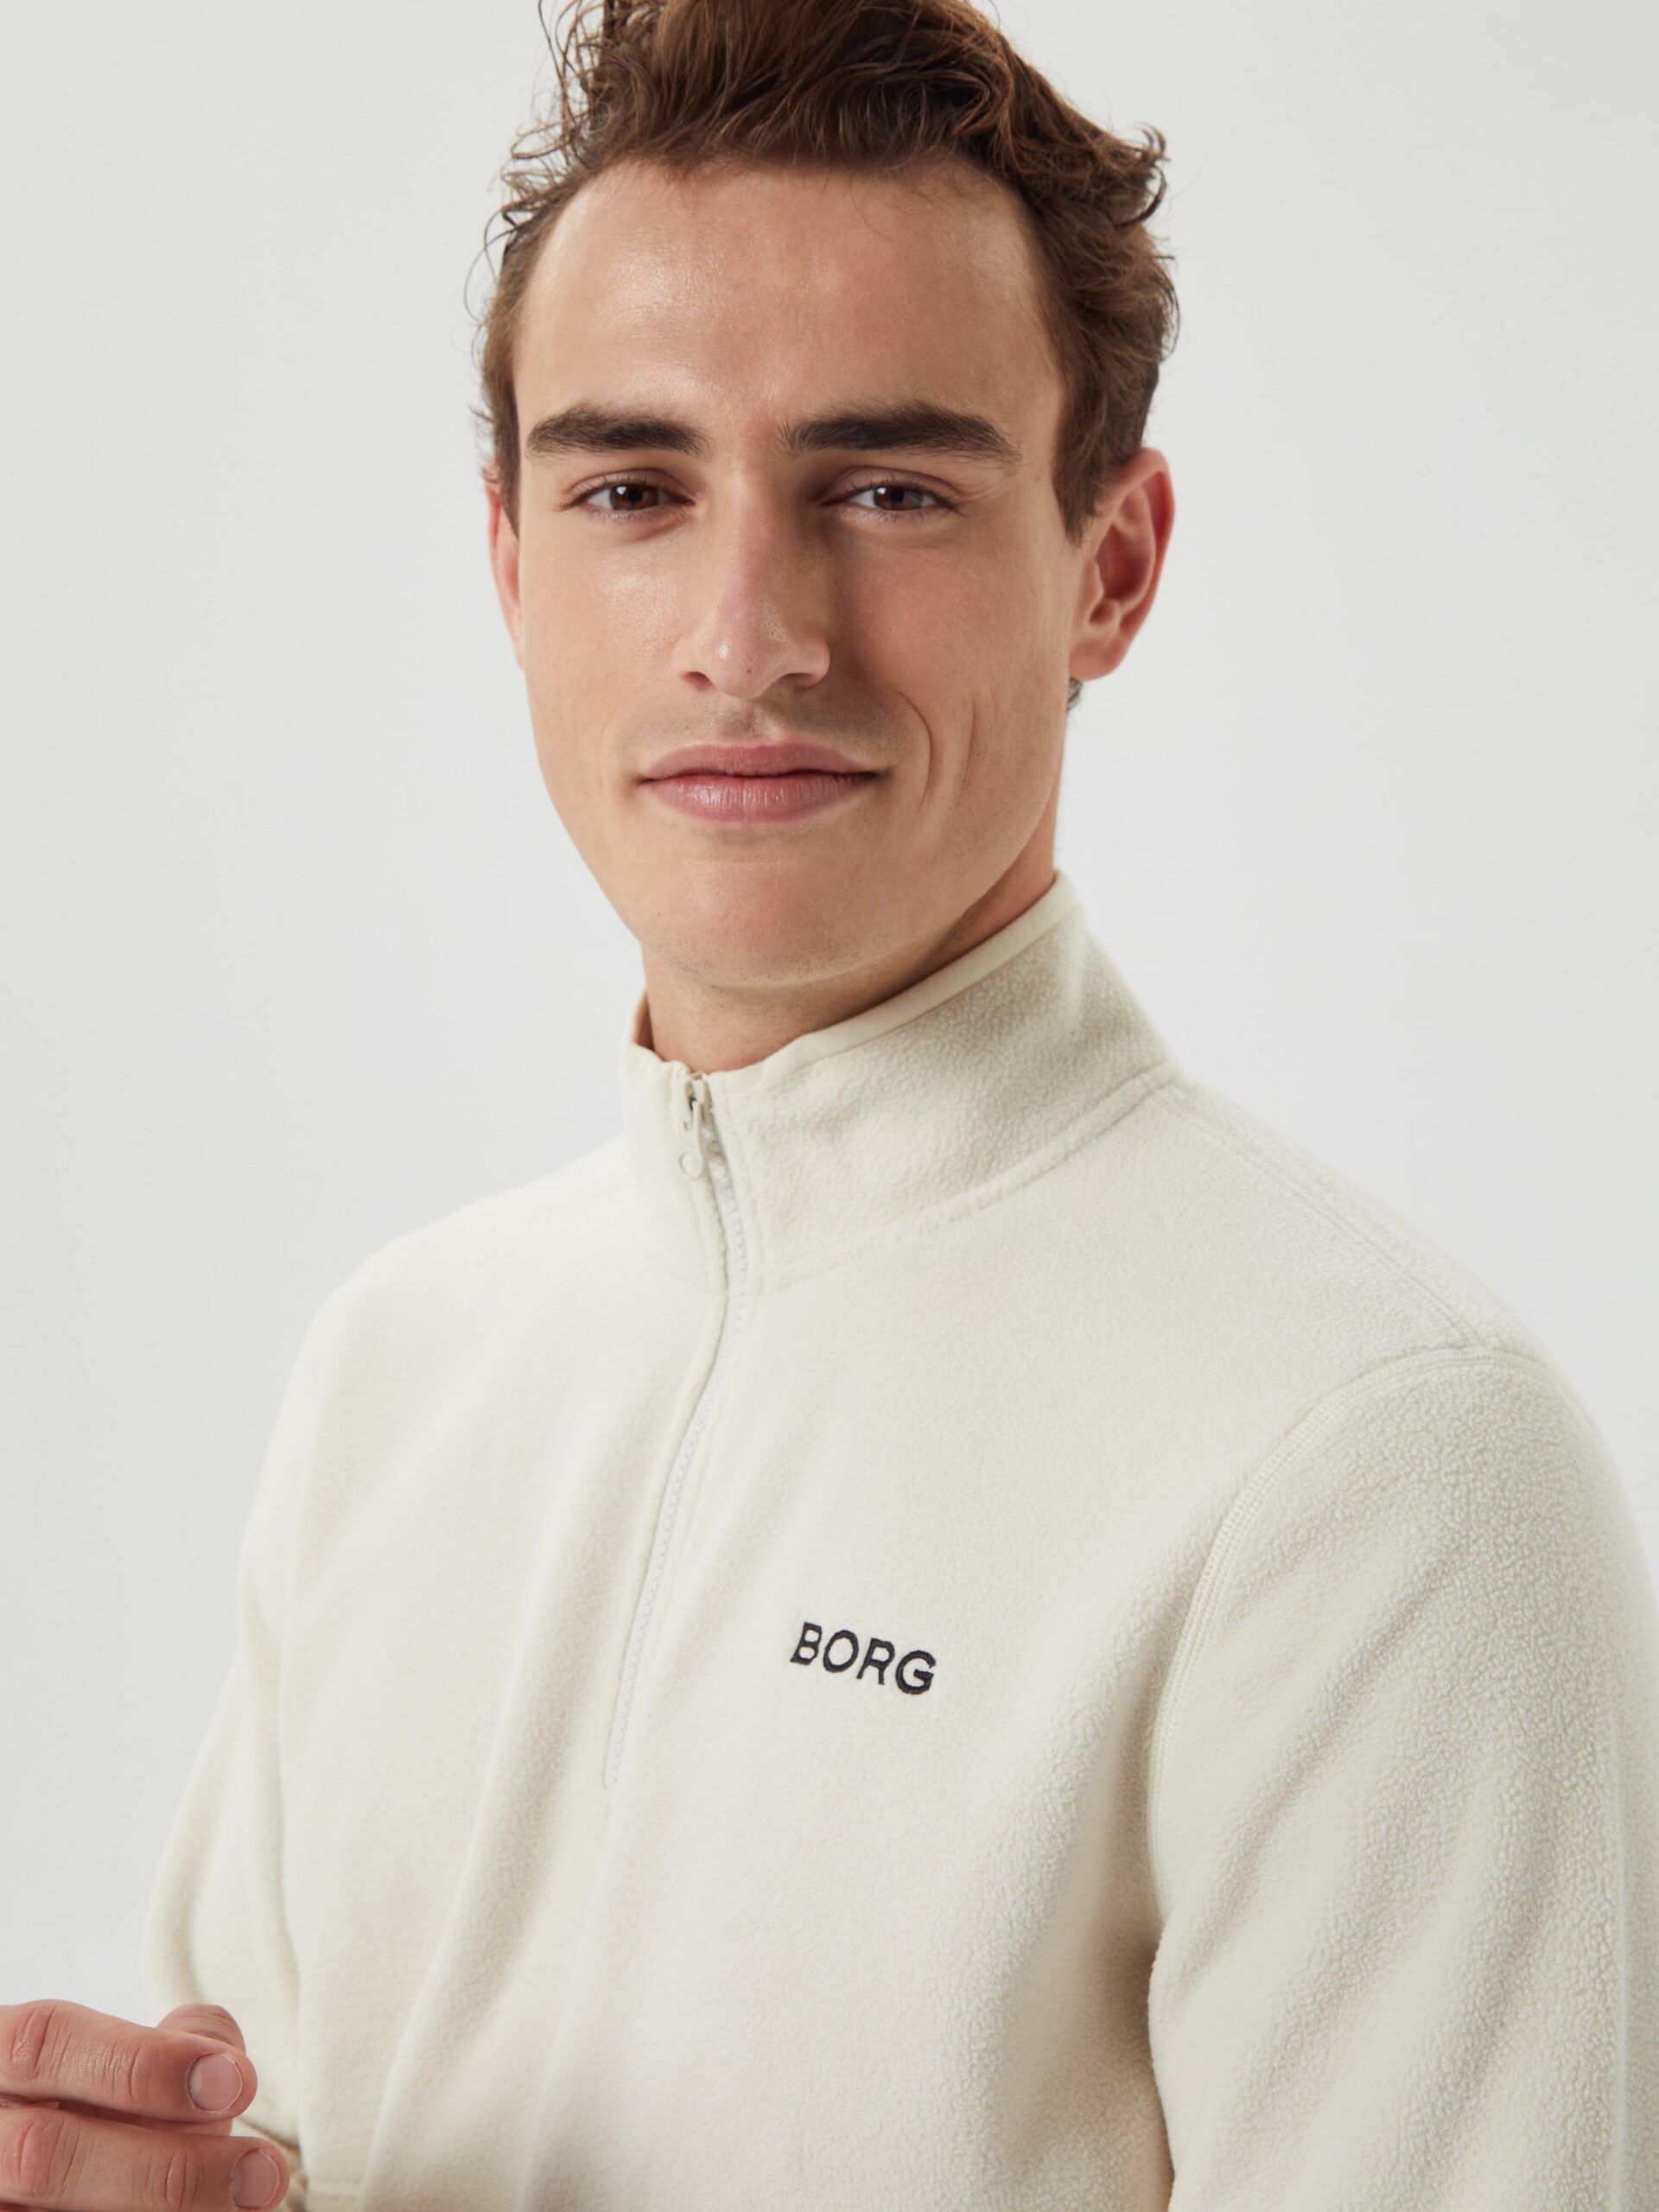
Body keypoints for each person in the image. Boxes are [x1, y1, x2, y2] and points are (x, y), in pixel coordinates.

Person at [6, 1, 1656, 2206]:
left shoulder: (1381, 1459)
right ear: (511, 567)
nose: (750, 632)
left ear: (1110, 565)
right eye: (632, 488)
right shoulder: (397, 1366)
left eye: (887, 488)